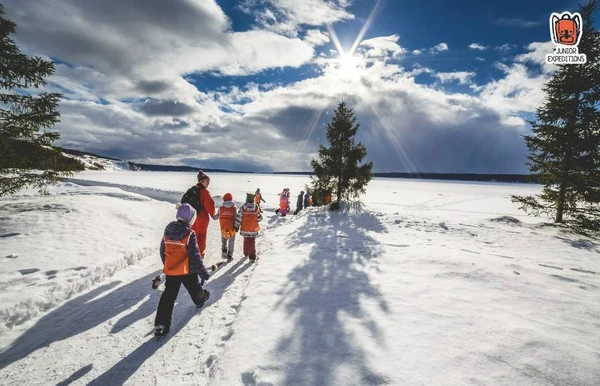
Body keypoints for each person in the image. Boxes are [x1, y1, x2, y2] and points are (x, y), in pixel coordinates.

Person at [154, 203, 211, 337]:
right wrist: (204, 273)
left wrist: (167, 264)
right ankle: (200, 300)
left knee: (168, 296)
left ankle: (161, 324)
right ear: (191, 219)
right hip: (187, 270)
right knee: (194, 287)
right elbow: (195, 256)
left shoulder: (168, 230)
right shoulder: (189, 233)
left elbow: (162, 250)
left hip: (172, 271)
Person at [181, 170, 215, 259]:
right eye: (207, 181)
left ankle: (191, 253)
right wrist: (213, 214)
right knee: (201, 236)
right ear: (202, 181)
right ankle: (199, 255)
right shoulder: (204, 192)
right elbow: (209, 205)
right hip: (201, 218)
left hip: (191, 217)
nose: (208, 183)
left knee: (192, 235)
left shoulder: (192, 189)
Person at [234, 193, 263, 262]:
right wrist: (254, 220)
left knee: (246, 241)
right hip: (253, 229)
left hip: (245, 228)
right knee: (252, 242)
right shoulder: (256, 207)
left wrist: (236, 226)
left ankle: (246, 253)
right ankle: (252, 257)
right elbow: (260, 218)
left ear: (247, 200)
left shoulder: (243, 207)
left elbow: (239, 218)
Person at [212, 192, 237, 260]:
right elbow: (236, 218)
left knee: (224, 239)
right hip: (232, 228)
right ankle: (230, 255)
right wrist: (237, 226)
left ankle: (224, 251)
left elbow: (216, 217)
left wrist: (212, 216)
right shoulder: (234, 208)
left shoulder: (221, 208)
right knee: (231, 241)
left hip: (223, 228)